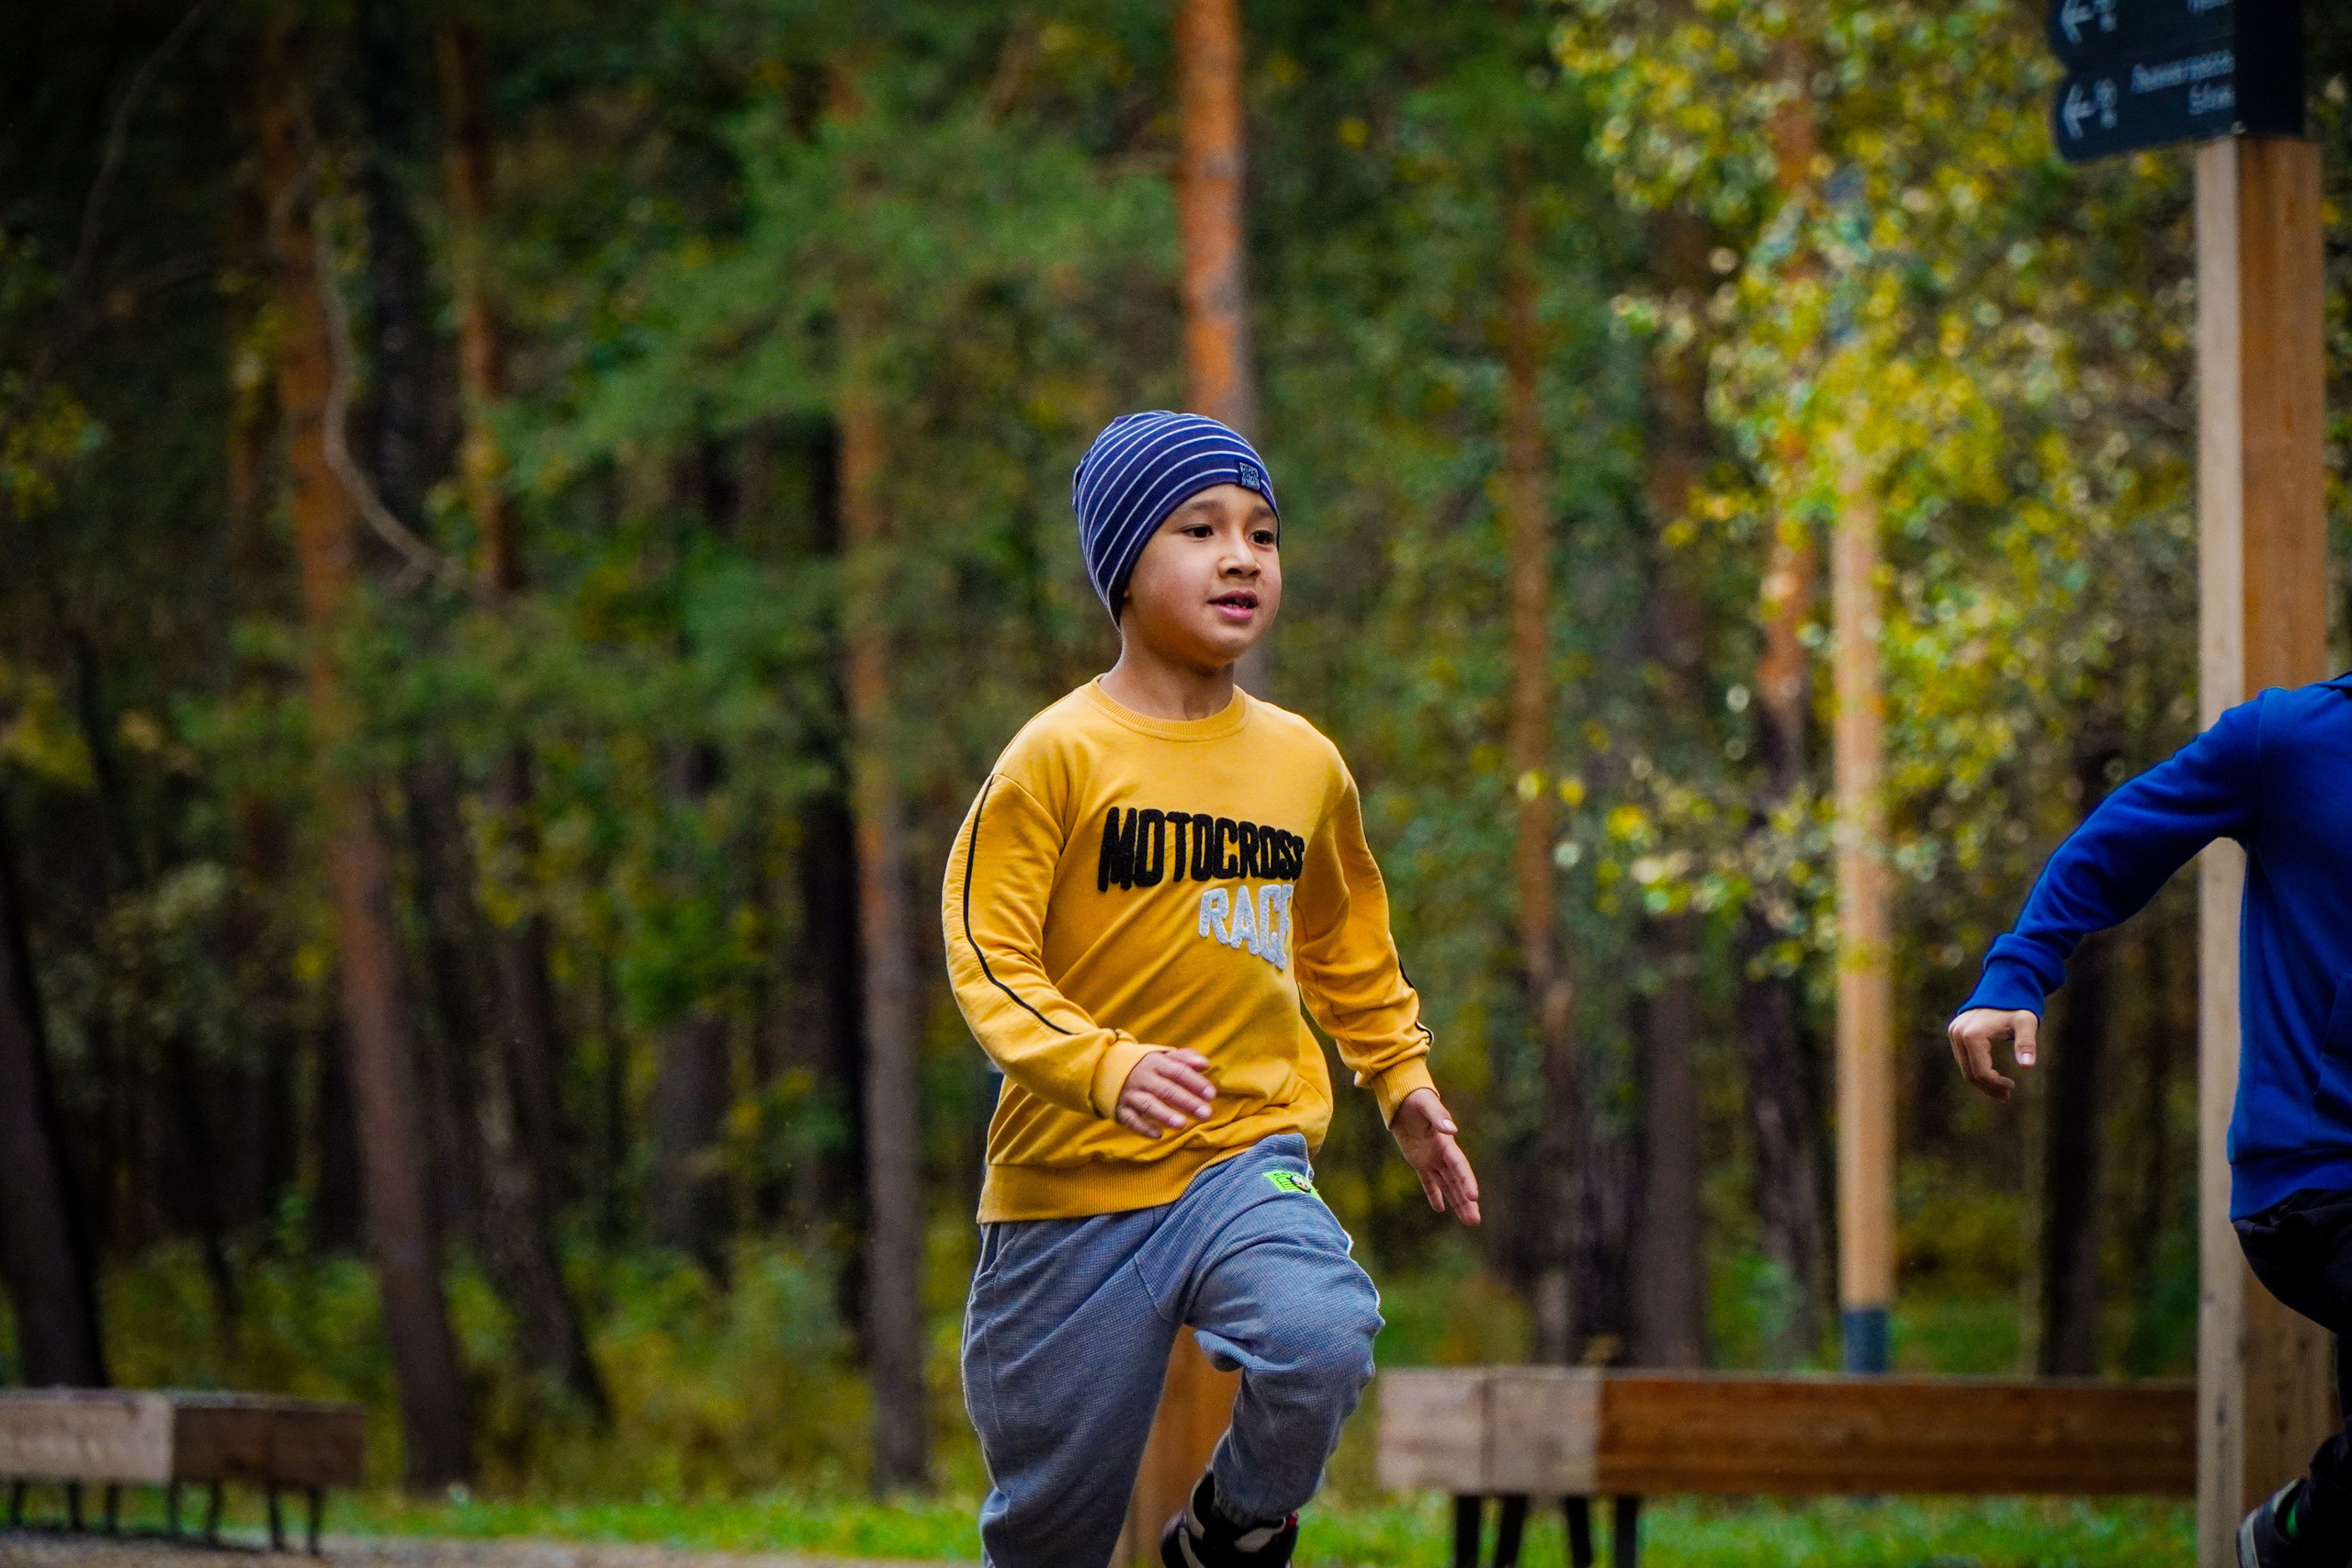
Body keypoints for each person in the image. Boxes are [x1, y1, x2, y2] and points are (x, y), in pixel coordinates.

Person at [942, 411, 1481, 1568]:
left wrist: (1400, 1080)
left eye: (1262, 534)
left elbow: (1344, 943)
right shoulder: (1056, 756)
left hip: (1242, 1156)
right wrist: (1103, 1065)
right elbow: (987, 956)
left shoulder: (1302, 763)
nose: (1241, 558)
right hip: (1066, 1194)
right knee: (1049, 1533)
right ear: (1123, 570)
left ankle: (1232, 1532)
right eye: (1199, 530)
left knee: (1322, 1333)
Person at [1947, 671, 2352, 1568]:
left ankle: (2309, 1538)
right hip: (2316, 1180)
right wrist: (2016, 970)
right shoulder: (2290, 738)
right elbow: (2120, 838)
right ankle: (2303, 1531)